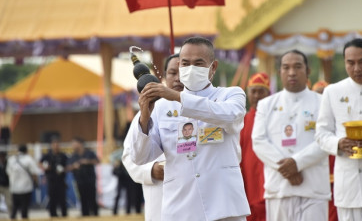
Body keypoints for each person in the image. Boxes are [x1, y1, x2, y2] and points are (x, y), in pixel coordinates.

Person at [129, 36, 250, 220]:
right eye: (185, 63)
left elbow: (230, 116)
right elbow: (139, 157)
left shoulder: (230, 94)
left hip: (224, 206)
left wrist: (177, 97)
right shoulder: (162, 107)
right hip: (180, 208)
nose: (191, 68)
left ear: (213, 67)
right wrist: (145, 116)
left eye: (199, 63)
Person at [252, 49, 330, 221]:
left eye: (298, 67)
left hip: (314, 188)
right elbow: (258, 141)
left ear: (308, 71)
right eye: (286, 68)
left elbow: (326, 138)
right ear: (279, 72)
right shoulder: (266, 105)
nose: (292, 72)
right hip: (279, 188)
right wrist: (287, 168)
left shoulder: (323, 102)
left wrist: (297, 163)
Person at [315, 38, 362, 221]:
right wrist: (339, 143)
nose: (356, 68)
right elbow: (321, 133)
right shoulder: (333, 92)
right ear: (344, 62)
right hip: (348, 186)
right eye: (350, 63)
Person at [122, 53, 184, 221]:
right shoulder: (150, 109)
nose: (178, 78)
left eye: (182, 72)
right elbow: (129, 156)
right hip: (160, 197)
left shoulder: (201, 106)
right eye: (172, 73)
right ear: (163, 76)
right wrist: (150, 171)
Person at [240, 72, 270, 221]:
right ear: (248, 93)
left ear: (268, 93)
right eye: (253, 91)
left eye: (261, 91)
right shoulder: (241, 121)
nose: (257, 95)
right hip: (249, 177)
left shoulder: (274, 117)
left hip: (269, 175)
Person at [312, 81, 338, 221]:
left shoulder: (337, 116)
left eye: (324, 94)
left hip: (336, 175)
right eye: (318, 94)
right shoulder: (308, 118)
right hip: (313, 176)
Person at [6, 144, 40, 220]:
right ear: (26, 151)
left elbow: (8, 173)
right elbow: (34, 173)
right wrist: (36, 182)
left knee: (14, 209)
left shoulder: (11, 159)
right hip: (26, 188)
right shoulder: (29, 159)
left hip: (14, 188)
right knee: (24, 210)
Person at [68, 137, 99, 216]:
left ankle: (95, 214)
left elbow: (97, 161)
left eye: (74, 143)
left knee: (92, 197)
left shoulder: (89, 153)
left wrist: (87, 161)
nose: (73, 145)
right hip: (79, 180)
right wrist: (74, 166)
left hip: (90, 179)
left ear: (80, 144)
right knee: (82, 198)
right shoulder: (74, 155)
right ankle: (85, 214)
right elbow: (68, 167)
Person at [39, 137, 68, 217]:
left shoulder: (63, 155)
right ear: (51, 145)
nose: (56, 146)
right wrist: (45, 167)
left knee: (62, 199)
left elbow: (68, 166)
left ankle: (64, 215)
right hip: (51, 180)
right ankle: (53, 215)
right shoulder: (48, 155)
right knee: (52, 199)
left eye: (57, 144)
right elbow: (39, 163)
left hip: (61, 180)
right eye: (54, 144)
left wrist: (63, 169)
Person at [112, 151, 143, 215]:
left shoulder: (132, 154)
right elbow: (112, 159)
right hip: (122, 178)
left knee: (129, 196)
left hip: (129, 179)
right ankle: (115, 211)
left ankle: (128, 211)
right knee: (119, 195)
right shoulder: (119, 155)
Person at [0, 151, 11, 218]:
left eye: (3, 156)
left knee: (9, 203)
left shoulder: (8, 164)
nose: (2, 158)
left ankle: (11, 216)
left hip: (7, 185)